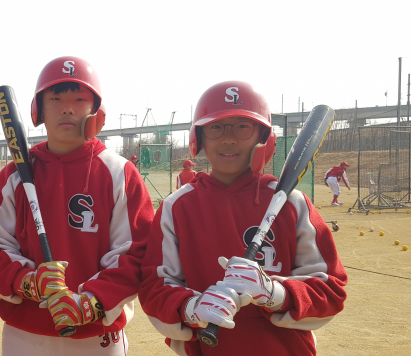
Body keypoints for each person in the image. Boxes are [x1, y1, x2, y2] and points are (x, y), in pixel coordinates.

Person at [138, 81, 347, 356]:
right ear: (198, 138)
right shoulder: (177, 207)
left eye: (242, 126)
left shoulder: (290, 203)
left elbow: (330, 290)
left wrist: (273, 293)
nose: (228, 138)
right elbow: (155, 289)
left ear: (264, 136)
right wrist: (194, 307)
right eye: (216, 127)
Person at [0, 56, 154, 356]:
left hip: (96, 334)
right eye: (55, 98)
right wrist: (27, 281)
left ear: (96, 108)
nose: (67, 107)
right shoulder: (14, 176)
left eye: (80, 98)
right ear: (39, 110)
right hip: (26, 332)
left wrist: (91, 301)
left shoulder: (118, 171)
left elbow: (137, 252)